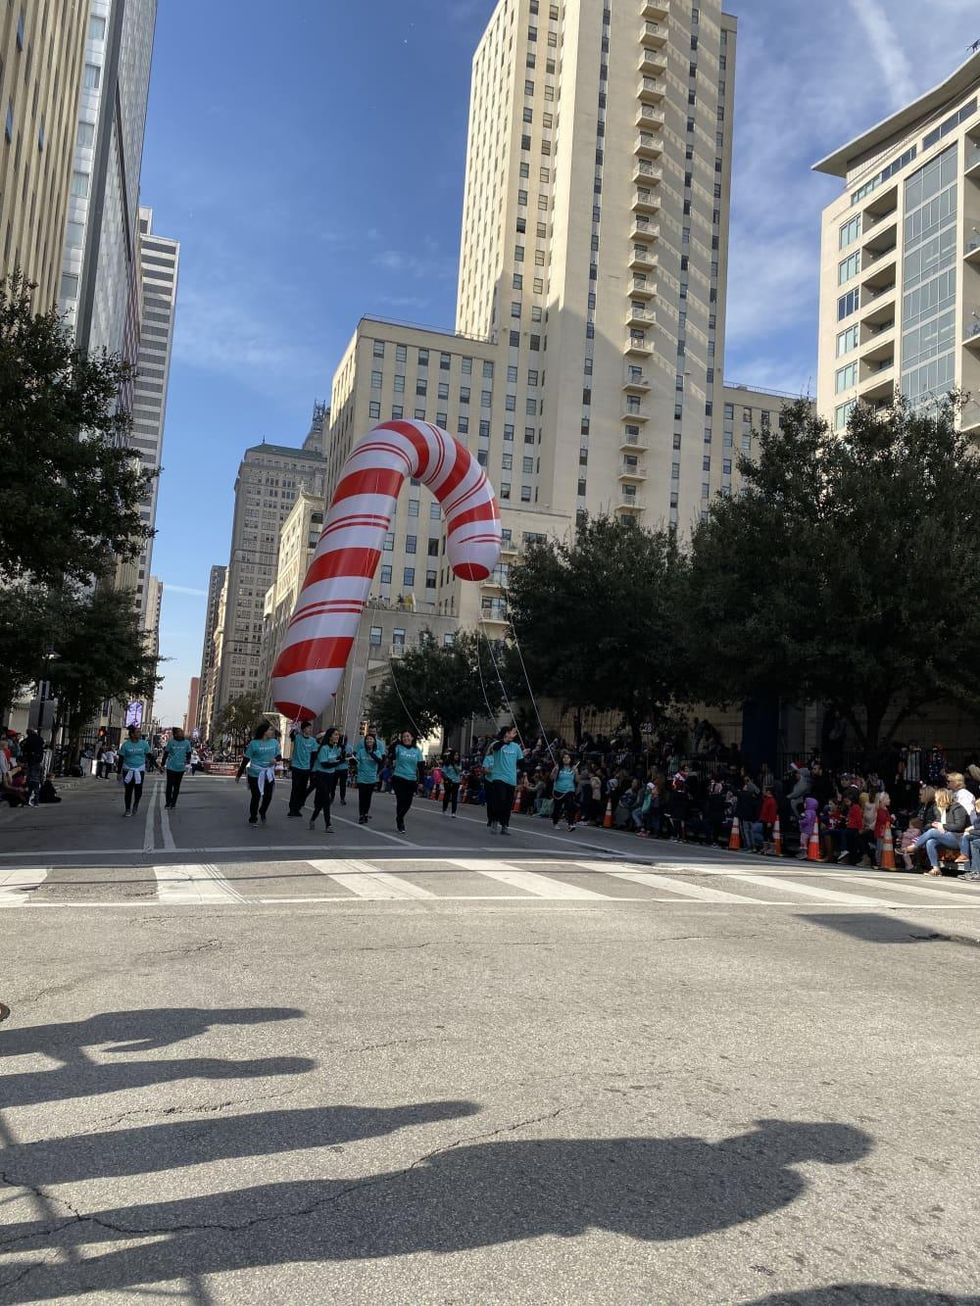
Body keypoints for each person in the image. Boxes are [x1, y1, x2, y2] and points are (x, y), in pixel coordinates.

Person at [907, 787, 969, 876]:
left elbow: (959, 826)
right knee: (930, 842)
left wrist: (942, 826)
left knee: (932, 832)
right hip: (946, 836)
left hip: (958, 838)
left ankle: (915, 846)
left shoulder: (957, 807)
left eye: (936, 797)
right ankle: (936, 869)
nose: (935, 799)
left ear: (941, 798)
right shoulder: (939, 809)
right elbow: (933, 823)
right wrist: (934, 824)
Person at [235, 720, 282, 826]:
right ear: (264, 732)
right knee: (256, 796)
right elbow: (246, 760)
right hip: (255, 774)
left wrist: (275, 759)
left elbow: (279, 756)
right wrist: (239, 775)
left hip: (268, 773)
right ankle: (253, 817)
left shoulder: (274, 742)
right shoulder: (254, 744)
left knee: (268, 796)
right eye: (270, 730)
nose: (272, 732)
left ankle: (262, 811)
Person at [486, 725, 523, 837]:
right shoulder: (496, 744)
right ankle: (494, 821)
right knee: (500, 799)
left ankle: (504, 825)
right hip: (498, 777)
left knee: (507, 804)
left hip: (511, 779)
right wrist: (505, 740)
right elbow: (495, 748)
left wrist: (524, 777)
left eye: (513, 733)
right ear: (505, 733)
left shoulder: (516, 747)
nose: (513, 734)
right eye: (511, 732)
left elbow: (521, 763)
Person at [309, 728, 345, 833]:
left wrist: (344, 757)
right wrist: (338, 763)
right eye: (335, 735)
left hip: (331, 777)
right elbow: (324, 764)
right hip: (321, 776)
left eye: (338, 735)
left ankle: (312, 819)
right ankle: (328, 824)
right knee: (327, 800)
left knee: (321, 802)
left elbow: (337, 759)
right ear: (329, 736)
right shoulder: (323, 748)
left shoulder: (336, 748)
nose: (337, 736)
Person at [391, 730, 423, 833]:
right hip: (399, 778)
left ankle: (399, 817)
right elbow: (391, 753)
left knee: (408, 803)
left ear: (412, 738)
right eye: (404, 736)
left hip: (411, 780)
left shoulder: (417, 750)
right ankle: (400, 822)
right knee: (400, 800)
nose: (406, 738)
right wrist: (395, 742)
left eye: (408, 736)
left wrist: (421, 782)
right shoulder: (399, 748)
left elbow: (421, 768)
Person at [117, 727, 152, 817]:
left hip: (139, 770)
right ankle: (127, 809)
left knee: (138, 789)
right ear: (132, 734)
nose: (140, 733)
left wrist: (158, 766)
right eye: (138, 732)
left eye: (140, 732)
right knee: (128, 790)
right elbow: (121, 759)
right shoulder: (126, 745)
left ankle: (136, 803)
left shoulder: (144, 744)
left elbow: (149, 756)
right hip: (127, 769)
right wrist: (118, 773)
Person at [355, 731, 386, 824]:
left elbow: (379, 761)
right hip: (361, 777)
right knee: (362, 797)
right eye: (367, 739)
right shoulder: (361, 751)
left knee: (368, 798)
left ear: (374, 741)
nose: (369, 740)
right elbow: (356, 761)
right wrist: (353, 762)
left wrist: (372, 753)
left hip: (371, 778)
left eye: (371, 739)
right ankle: (361, 815)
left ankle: (366, 814)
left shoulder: (377, 751)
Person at [287, 721, 316, 818]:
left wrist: (312, 768)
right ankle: (292, 809)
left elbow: (314, 755)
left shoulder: (312, 740)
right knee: (295, 788)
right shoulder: (298, 737)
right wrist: (294, 728)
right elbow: (291, 736)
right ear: (303, 729)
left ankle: (298, 808)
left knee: (303, 790)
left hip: (306, 768)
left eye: (310, 728)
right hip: (296, 767)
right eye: (308, 727)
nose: (309, 729)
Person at [161, 729, 193, 810]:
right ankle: (168, 803)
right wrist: (162, 764)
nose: (182, 733)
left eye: (182, 732)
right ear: (175, 734)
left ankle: (173, 803)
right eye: (180, 732)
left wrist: (187, 761)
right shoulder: (171, 742)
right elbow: (166, 753)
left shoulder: (187, 743)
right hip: (171, 767)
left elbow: (189, 753)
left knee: (177, 786)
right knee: (169, 785)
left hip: (181, 768)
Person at [551, 752, 577, 831]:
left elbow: (577, 780)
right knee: (557, 807)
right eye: (564, 758)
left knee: (570, 806)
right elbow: (552, 778)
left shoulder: (573, 768)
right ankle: (555, 822)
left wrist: (576, 772)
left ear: (570, 759)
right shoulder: (558, 767)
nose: (566, 759)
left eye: (568, 758)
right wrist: (555, 771)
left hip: (569, 790)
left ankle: (570, 824)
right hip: (558, 790)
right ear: (562, 759)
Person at [20, 727, 45, 808]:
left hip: (31, 761)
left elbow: (22, 745)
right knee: (35, 780)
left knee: (29, 780)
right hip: (38, 760)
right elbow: (42, 745)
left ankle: (28, 799)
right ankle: (35, 800)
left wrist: (26, 753)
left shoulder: (28, 740)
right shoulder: (40, 739)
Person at [441, 751, 462, 818]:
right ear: (452, 755)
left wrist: (454, 764)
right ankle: (444, 809)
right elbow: (443, 772)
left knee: (454, 797)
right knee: (447, 796)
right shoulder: (447, 763)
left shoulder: (458, 763)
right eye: (455, 755)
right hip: (449, 781)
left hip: (456, 782)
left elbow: (458, 771)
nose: (456, 756)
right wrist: (446, 779)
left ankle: (453, 812)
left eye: (457, 755)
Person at [337, 735, 350, 806]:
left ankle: (342, 798)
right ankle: (331, 796)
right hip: (336, 768)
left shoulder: (349, 747)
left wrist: (349, 756)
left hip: (344, 768)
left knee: (343, 785)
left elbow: (351, 757)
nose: (344, 741)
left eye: (345, 740)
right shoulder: (336, 746)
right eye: (342, 739)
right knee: (333, 784)